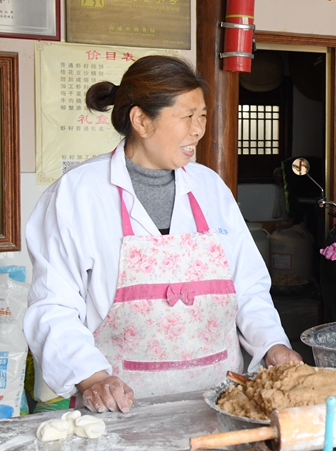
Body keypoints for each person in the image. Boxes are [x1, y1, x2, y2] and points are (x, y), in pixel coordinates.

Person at [24, 56, 301, 414]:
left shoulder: (210, 188)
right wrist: (92, 378)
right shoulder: (78, 194)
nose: (198, 129)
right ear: (141, 120)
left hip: (220, 403)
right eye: (187, 116)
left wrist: (272, 345)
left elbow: (247, 288)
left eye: (202, 116)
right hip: (119, 409)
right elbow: (53, 306)